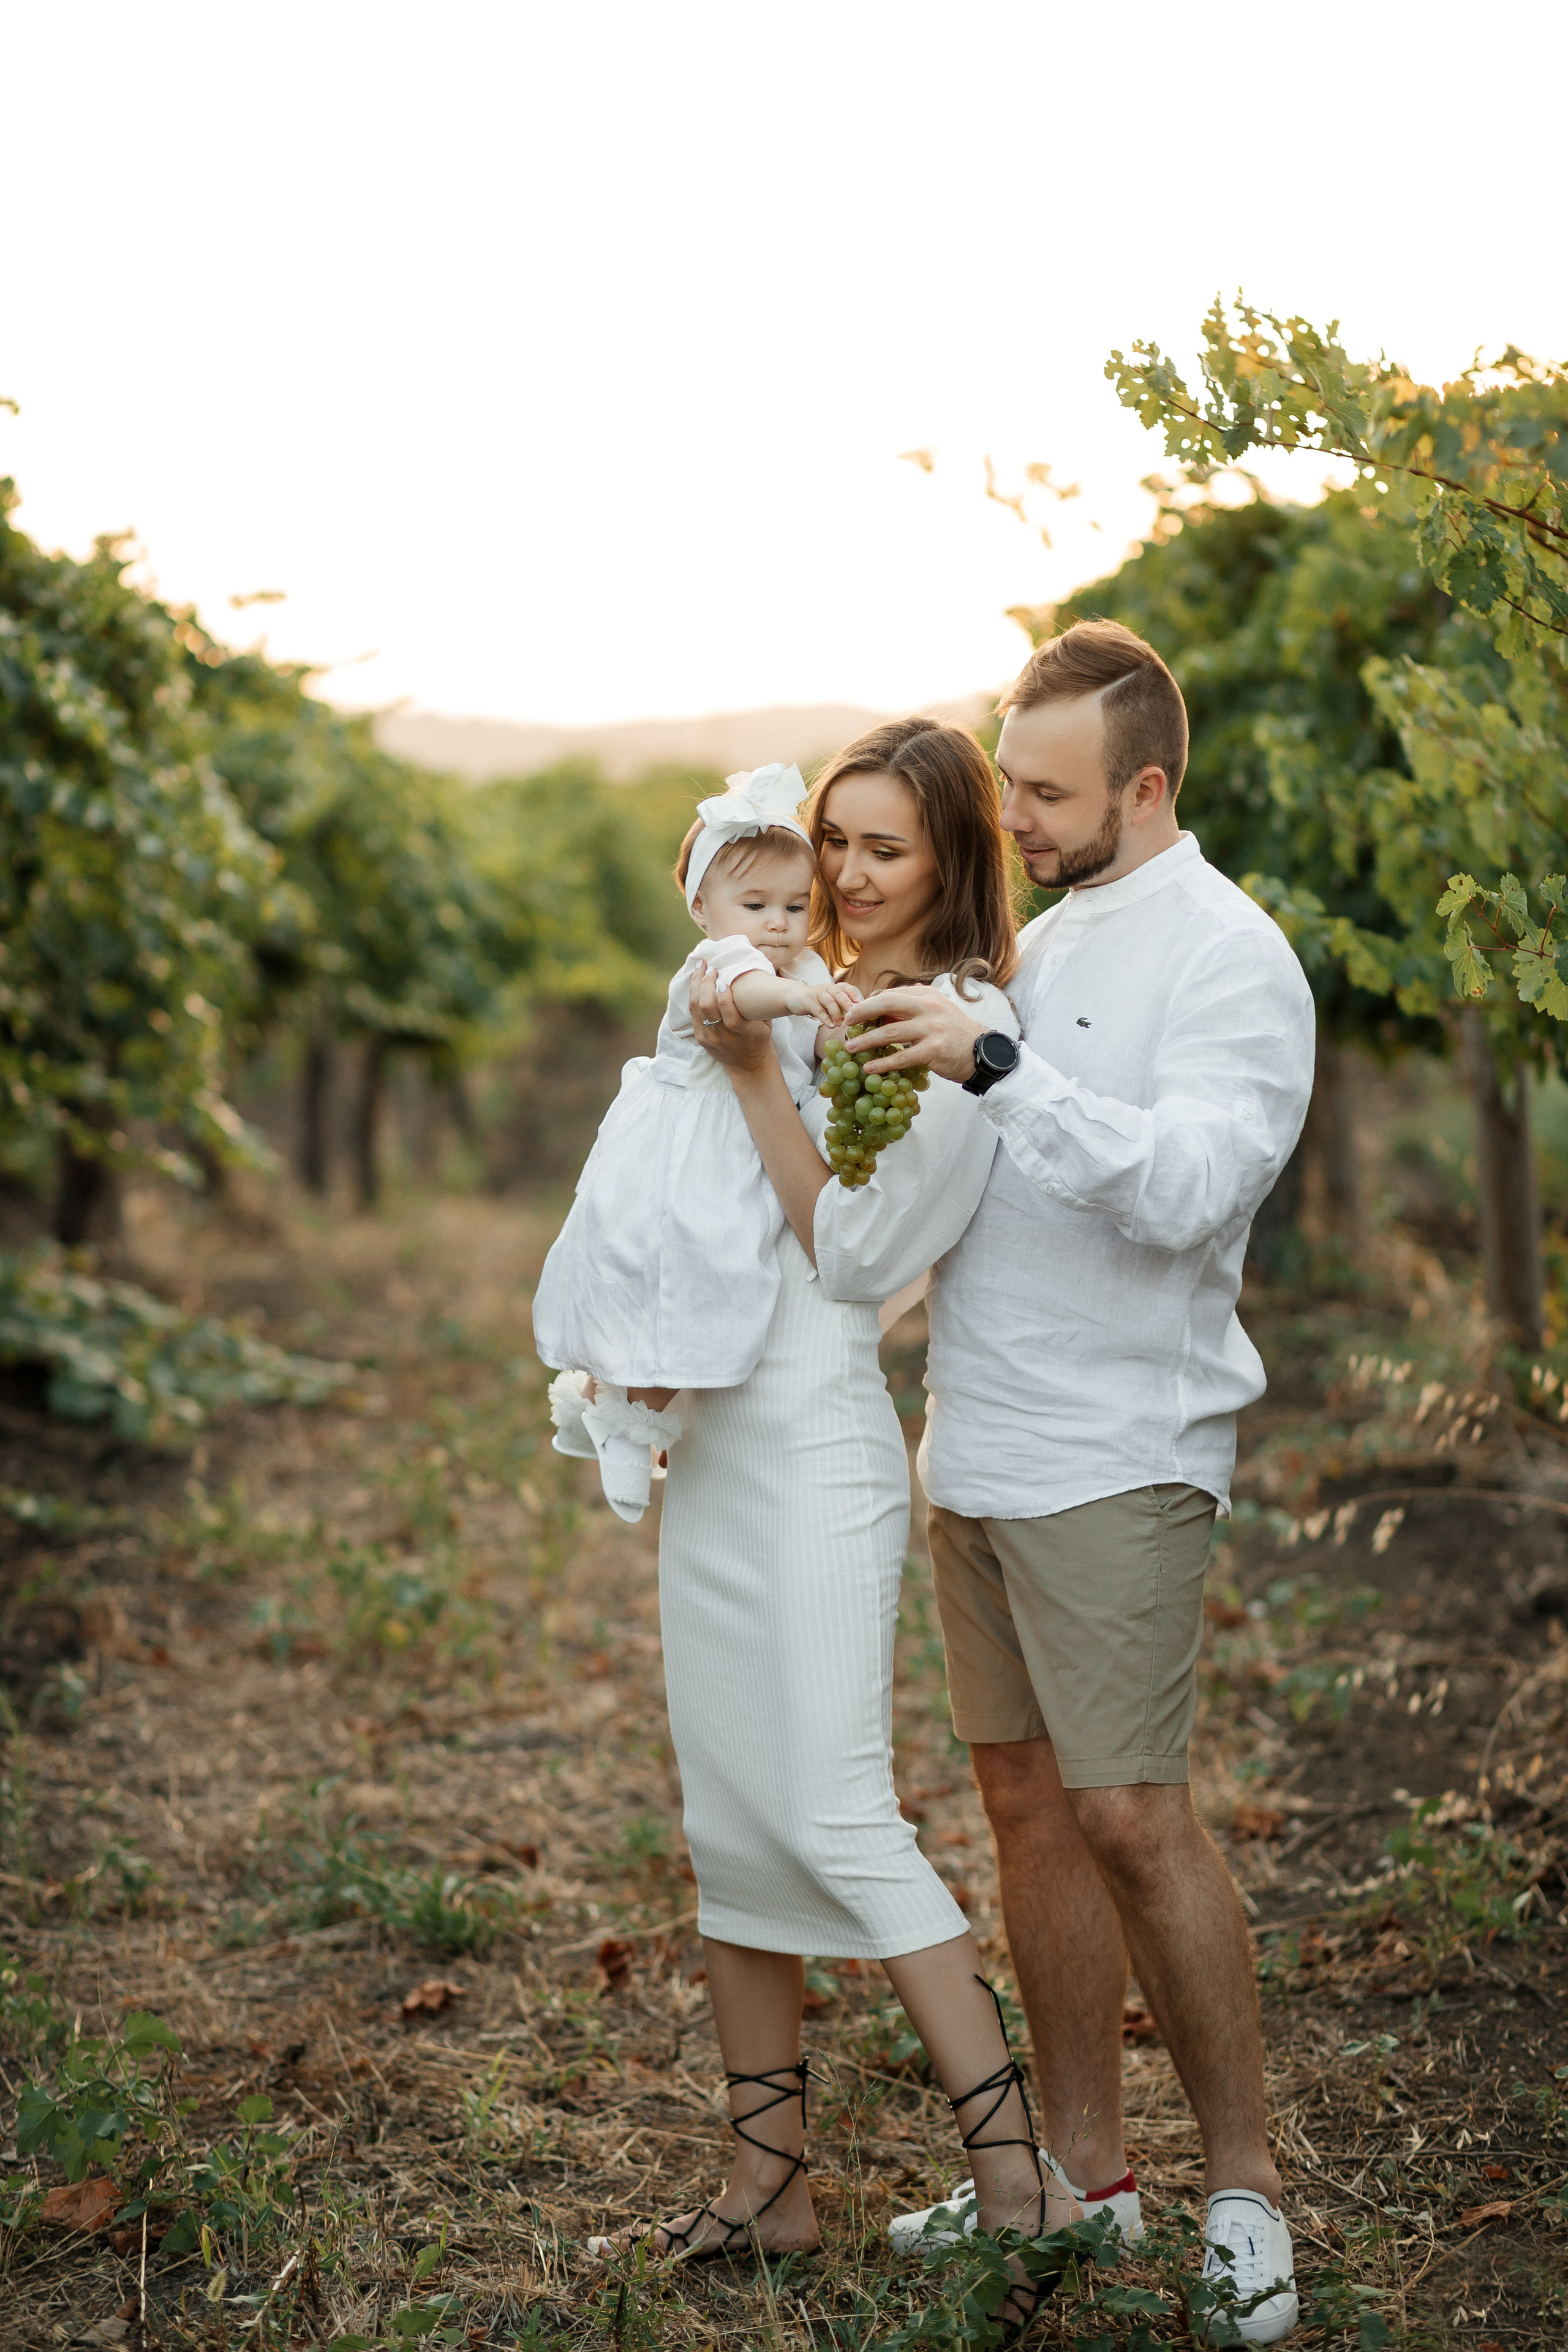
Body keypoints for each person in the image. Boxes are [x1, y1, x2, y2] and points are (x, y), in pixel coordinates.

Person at [847, 622, 1316, 2344]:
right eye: (1010, 786)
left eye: (1046, 793)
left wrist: (998, 1066)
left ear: (1146, 783)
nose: (1014, 820)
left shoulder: (1230, 957)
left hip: (1120, 1453)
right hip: (973, 1441)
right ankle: (1078, 2178)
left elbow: (1187, 1190)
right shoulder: (1030, 949)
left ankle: (1244, 2191)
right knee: (1026, 1807)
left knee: (1129, 1815)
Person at [588, 719, 1079, 2335]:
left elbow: (857, 1261)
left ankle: (1019, 2181)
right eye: (833, 844)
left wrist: (749, 1078)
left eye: (883, 849)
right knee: (732, 1819)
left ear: (948, 860)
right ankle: (767, 2185)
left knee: (836, 1810)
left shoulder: (956, 1031)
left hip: (816, 1452)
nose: (847, 878)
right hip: (727, 1442)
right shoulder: (818, 993)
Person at [532, 764, 859, 1521]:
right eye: (755, 905)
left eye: (795, 906)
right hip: (686, 1154)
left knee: (707, 1288)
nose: (777, 924)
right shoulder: (719, 965)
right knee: (677, 1278)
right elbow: (749, 999)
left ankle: (599, 1400)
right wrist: (802, 997)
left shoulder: (802, 966)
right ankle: (629, 1422)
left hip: (747, 1152)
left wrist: (838, 1021)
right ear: (702, 909)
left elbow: (812, 1045)